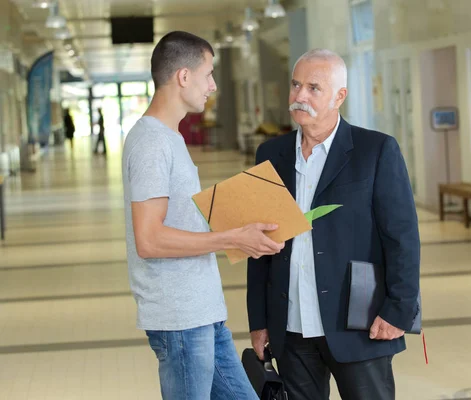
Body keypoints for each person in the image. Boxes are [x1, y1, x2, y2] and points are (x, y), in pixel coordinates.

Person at [246, 49, 421, 400]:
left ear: (339, 96)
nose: (300, 96)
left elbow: (402, 238)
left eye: (313, 88)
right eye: (296, 85)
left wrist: (398, 310)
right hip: (291, 325)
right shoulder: (270, 154)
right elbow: (258, 244)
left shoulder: (376, 150)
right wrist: (259, 319)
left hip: (359, 322)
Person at [121, 31, 284, 400]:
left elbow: (175, 222)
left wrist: (239, 221)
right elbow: (149, 239)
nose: (212, 85)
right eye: (208, 74)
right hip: (180, 321)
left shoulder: (170, 138)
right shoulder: (151, 143)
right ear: (183, 76)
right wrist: (232, 239)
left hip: (201, 314)